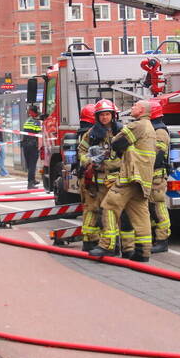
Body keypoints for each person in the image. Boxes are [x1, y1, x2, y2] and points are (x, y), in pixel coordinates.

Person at [90, 100, 156, 262]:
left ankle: (107, 245)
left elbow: (117, 142)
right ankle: (142, 252)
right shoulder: (150, 127)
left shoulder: (138, 126)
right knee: (141, 215)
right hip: (142, 180)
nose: (131, 108)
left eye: (134, 106)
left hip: (129, 177)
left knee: (109, 206)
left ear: (141, 110)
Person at [75, 103, 104, 252]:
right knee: (93, 208)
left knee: (89, 208)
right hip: (90, 176)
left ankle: (89, 240)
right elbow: (82, 153)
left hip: (85, 176)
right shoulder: (92, 134)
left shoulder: (82, 132)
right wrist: (92, 161)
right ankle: (91, 241)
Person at [148, 99, 172, 253]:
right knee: (150, 208)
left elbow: (157, 155)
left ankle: (163, 240)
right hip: (149, 175)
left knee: (158, 207)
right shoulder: (152, 130)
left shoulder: (160, 132)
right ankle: (154, 238)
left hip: (156, 176)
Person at [21, 104, 43, 189]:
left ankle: (33, 180)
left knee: (29, 164)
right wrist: (40, 147)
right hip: (32, 145)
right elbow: (39, 135)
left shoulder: (27, 120)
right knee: (32, 164)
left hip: (25, 145)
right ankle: (30, 183)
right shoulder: (36, 122)